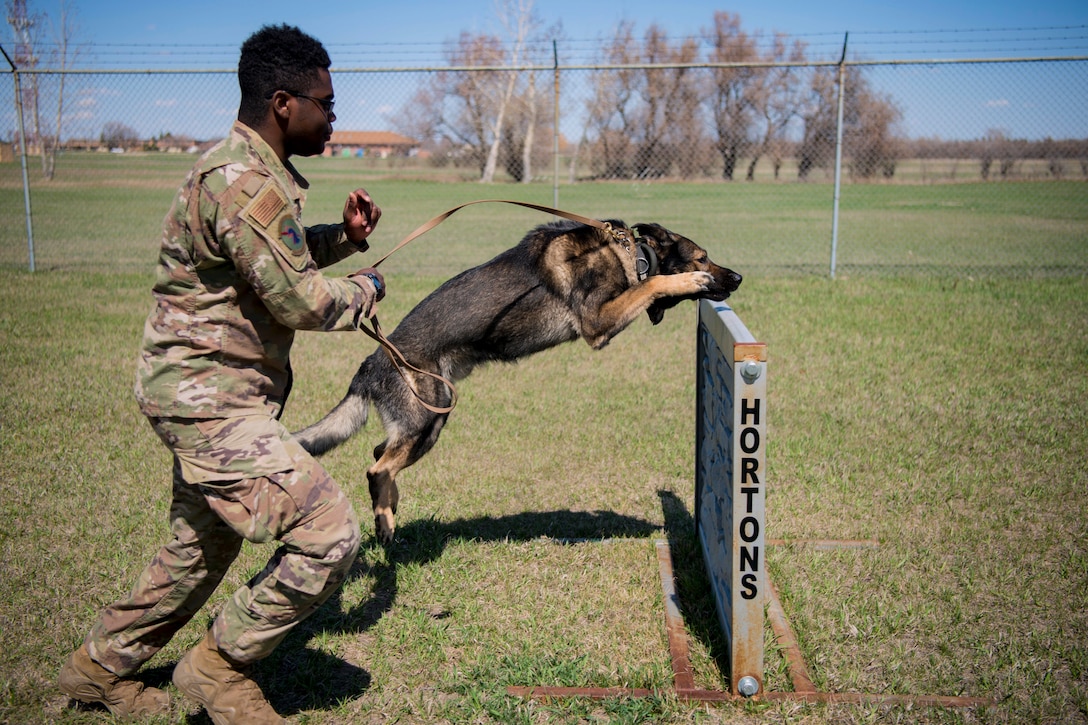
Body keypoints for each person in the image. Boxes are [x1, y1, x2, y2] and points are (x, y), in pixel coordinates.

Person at [58, 24, 384, 724]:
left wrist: (344, 240)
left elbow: (276, 260)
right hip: (210, 402)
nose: (333, 116)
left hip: (203, 392)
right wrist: (368, 288)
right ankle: (217, 667)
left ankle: (97, 667)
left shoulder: (248, 174)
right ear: (282, 102)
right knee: (329, 532)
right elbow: (302, 300)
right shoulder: (242, 181)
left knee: (199, 547)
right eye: (325, 102)